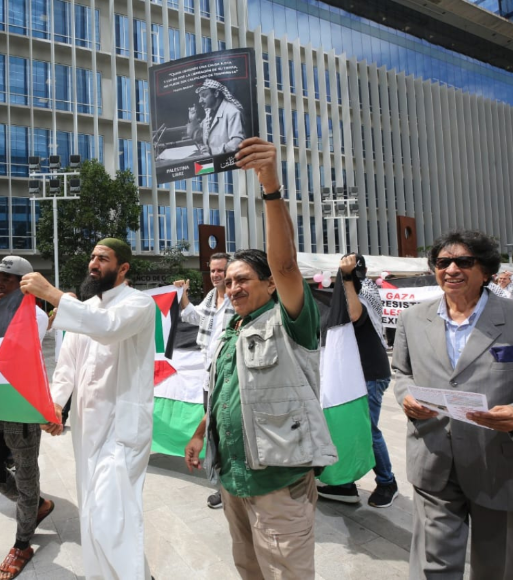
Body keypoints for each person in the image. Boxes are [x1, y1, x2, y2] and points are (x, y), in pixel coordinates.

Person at [184, 137, 337, 580]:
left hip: (277, 485)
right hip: (232, 479)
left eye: (243, 280)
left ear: (270, 285)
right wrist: (199, 435)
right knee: (248, 570)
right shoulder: (231, 329)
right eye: (227, 282)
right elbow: (221, 393)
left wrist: (270, 187)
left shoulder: (290, 320)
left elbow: (286, 264)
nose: (231, 288)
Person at [21, 239, 157, 580]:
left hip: (121, 428)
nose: (93, 263)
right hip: (87, 427)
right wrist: (56, 403)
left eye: (103, 258)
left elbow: (107, 328)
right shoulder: (85, 308)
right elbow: (68, 361)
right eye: (92, 256)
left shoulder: (138, 304)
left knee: (114, 514)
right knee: (94, 514)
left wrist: (53, 294)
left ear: (123, 268)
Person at [391, 230, 513, 579]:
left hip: (498, 462)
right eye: (443, 262)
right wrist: (407, 396)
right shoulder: (412, 318)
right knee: (433, 564)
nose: (452, 269)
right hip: (433, 456)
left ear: (486, 270)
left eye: (464, 261)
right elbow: (402, 371)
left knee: (497, 563)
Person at [0, 257, 54, 580]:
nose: (0, 284)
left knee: (25, 475)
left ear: (24, 282)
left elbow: (15, 352)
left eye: (8, 279)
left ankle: (23, 542)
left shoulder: (33, 314)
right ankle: (35, 504)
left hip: (20, 406)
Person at [316, 253, 398, 508]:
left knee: (368, 431)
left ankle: (387, 482)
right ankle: (345, 482)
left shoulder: (365, 290)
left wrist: (349, 279)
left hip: (369, 374)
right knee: (347, 428)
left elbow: (354, 315)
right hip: (353, 375)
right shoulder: (344, 292)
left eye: (350, 272)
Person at [173, 252, 234, 509]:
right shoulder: (210, 299)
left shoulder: (238, 298)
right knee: (214, 435)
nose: (216, 274)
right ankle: (223, 488)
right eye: (213, 271)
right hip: (210, 378)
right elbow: (192, 317)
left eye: (221, 270)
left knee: (230, 434)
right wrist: (182, 293)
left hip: (232, 377)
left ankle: (234, 490)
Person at [195, 78, 245, 156]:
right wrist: (193, 120)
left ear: (216, 93)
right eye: (199, 97)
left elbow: (237, 142)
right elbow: (198, 136)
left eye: (204, 95)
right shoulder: (209, 112)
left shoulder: (232, 112)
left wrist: (212, 151)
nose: (200, 101)